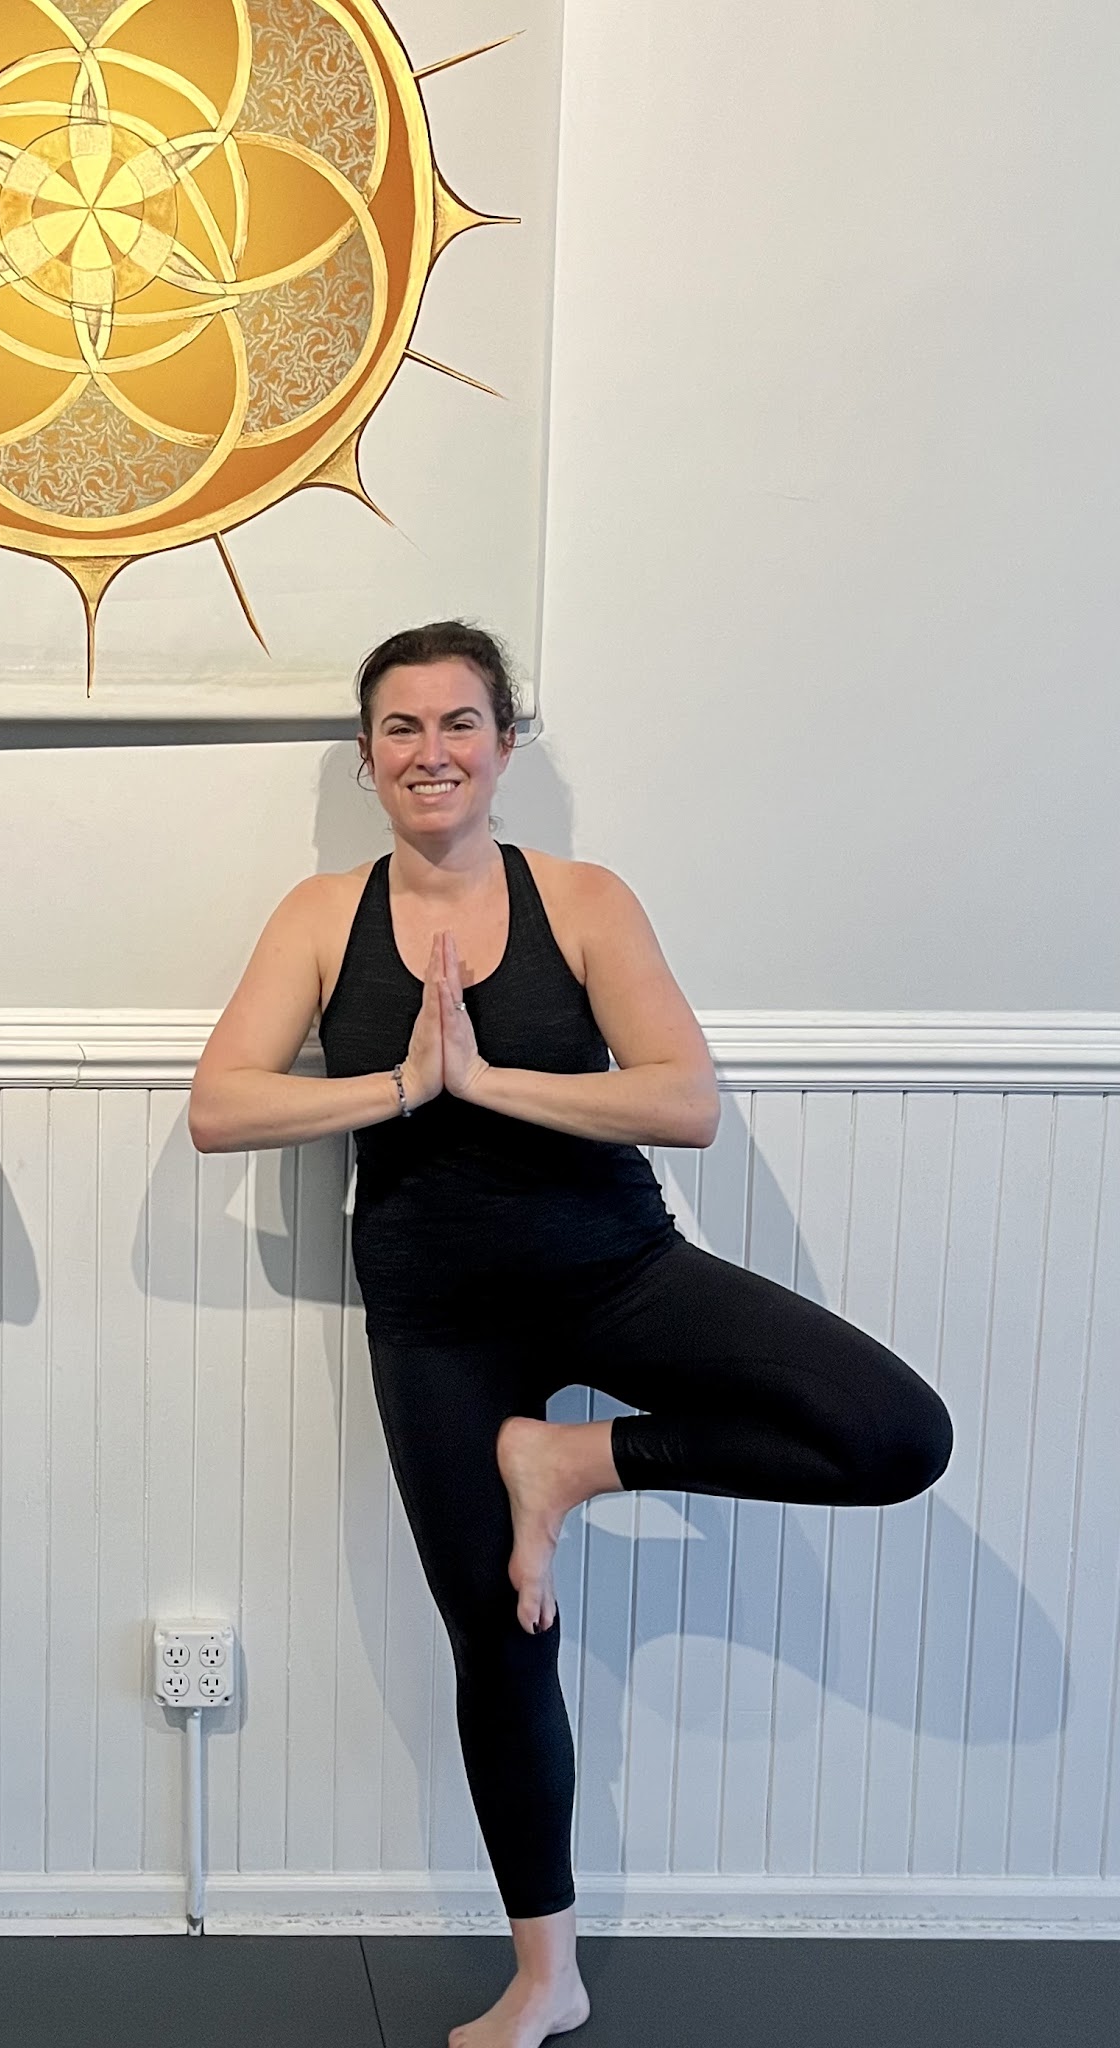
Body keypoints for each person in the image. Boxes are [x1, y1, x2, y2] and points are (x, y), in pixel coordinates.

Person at [187, 622, 951, 2048]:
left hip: (618, 1271)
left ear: (505, 744)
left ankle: (574, 1462)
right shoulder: (322, 918)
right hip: (437, 1323)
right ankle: (549, 1977)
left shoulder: (585, 901)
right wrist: (403, 1086)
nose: (431, 751)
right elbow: (221, 1106)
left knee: (897, 1433)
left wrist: (489, 1081)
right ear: (366, 757)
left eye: (459, 723)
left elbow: (683, 1100)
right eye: (401, 727)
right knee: (501, 1636)